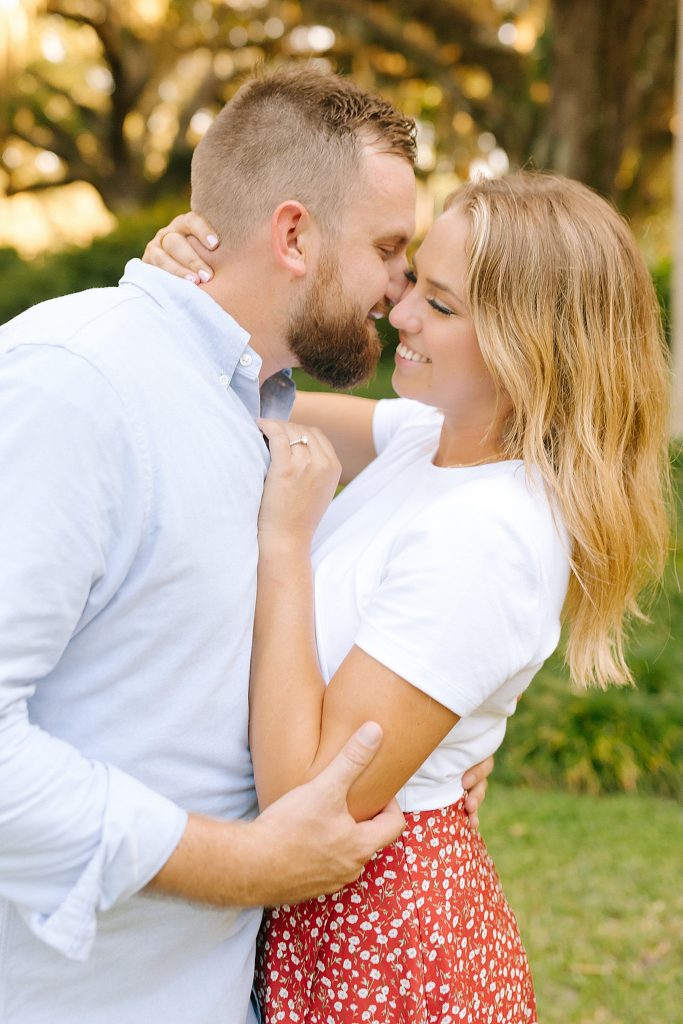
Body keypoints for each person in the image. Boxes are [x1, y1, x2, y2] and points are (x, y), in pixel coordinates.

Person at [0, 65, 492, 1024]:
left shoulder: (255, 410)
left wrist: (448, 744)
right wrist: (248, 867)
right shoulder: (76, 385)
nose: (401, 294)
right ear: (295, 234)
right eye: (391, 250)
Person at [148, 171, 671, 1022]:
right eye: (411, 280)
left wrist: (286, 545)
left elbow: (304, 800)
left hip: (384, 948)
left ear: (531, 342)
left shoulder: (489, 533)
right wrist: (185, 298)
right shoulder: (428, 437)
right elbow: (237, 408)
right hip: (338, 926)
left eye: (441, 303)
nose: (399, 315)